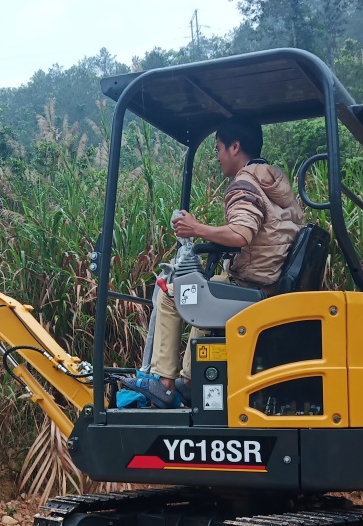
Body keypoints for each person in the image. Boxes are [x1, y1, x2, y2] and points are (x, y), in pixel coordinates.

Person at [125, 120, 304, 407]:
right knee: (203, 291)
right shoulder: (276, 184)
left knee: (173, 294)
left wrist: (196, 228)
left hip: (253, 287)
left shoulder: (244, 184)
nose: (218, 156)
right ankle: (190, 380)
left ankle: (165, 383)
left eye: (219, 148)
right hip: (271, 283)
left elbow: (240, 233)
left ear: (235, 147)